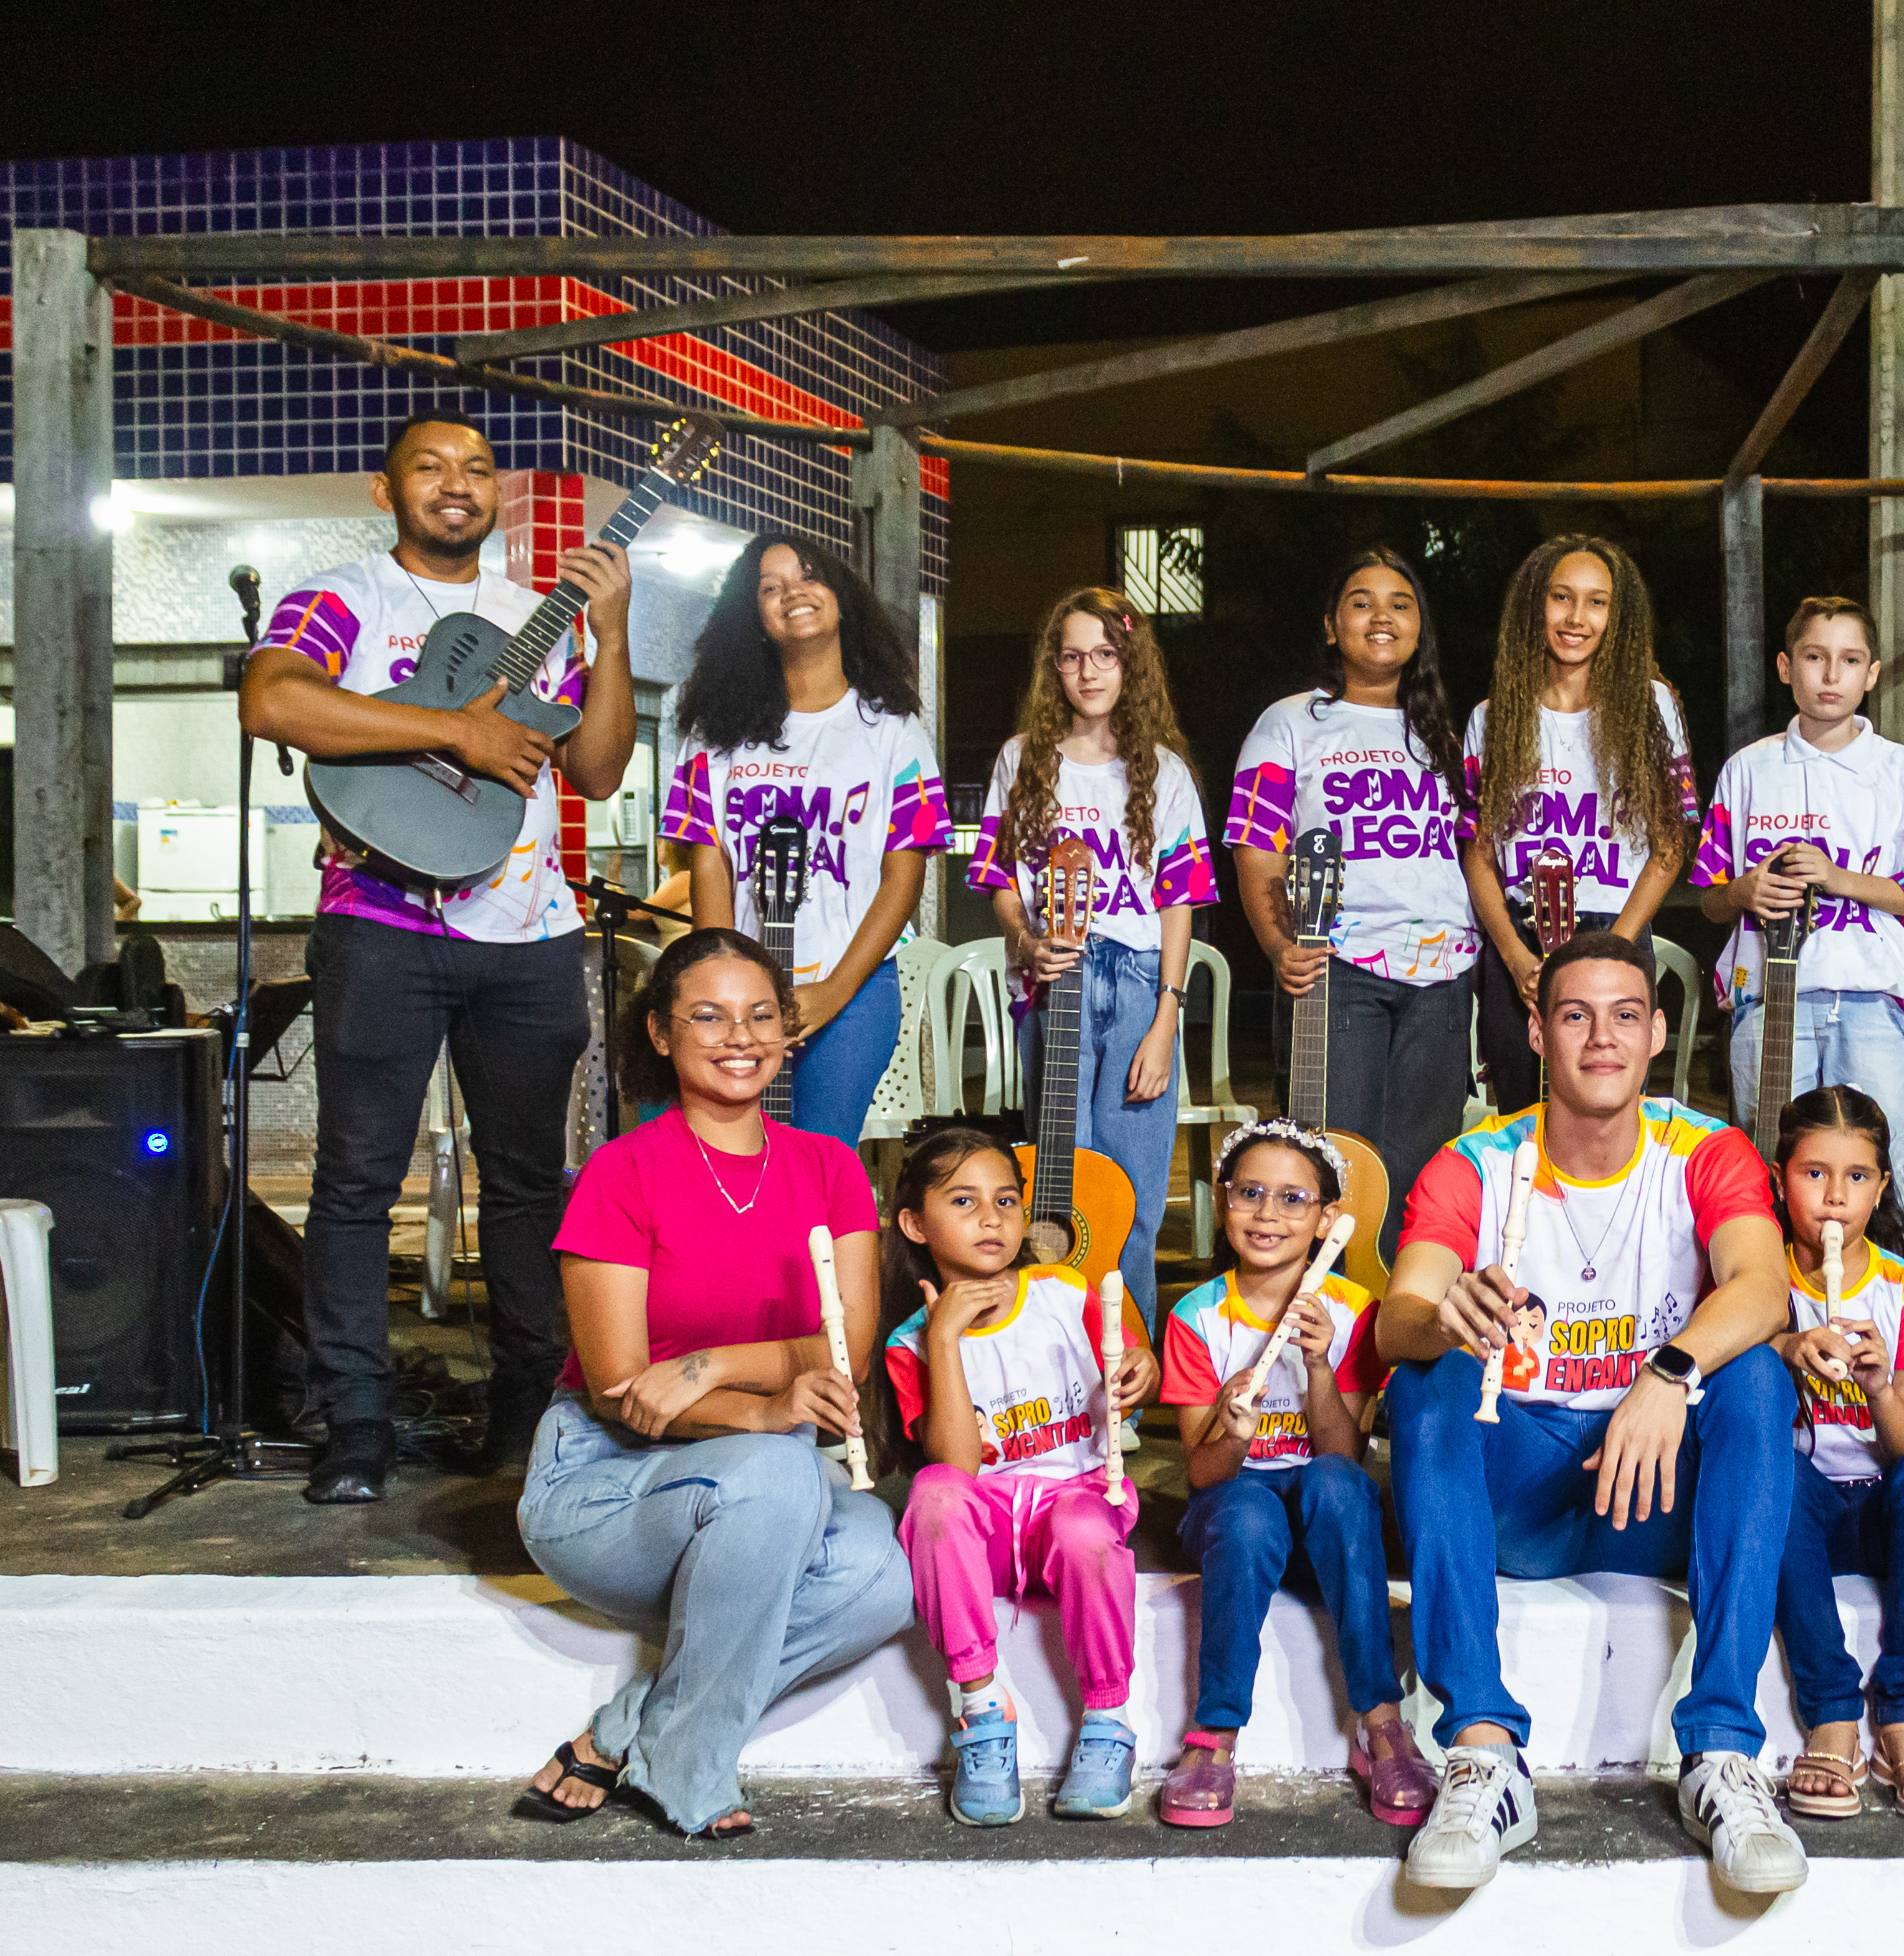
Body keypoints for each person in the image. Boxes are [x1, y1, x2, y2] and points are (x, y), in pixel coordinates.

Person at [241, 408, 636, 1498]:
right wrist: (457, 730)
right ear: (387, 490)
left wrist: (613, 635)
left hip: (532, 936)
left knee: (528, 1186)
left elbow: (599, 772)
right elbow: (272, 699)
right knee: (358, 1181)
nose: (458, 483)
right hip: (381, 922)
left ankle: (524, 1409)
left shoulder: (534, 616)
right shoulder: (345, 597)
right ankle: (357, 1421)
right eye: (431, 466)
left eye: (478, 468)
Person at [1377, 932, 1808, 1896]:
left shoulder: (1706, 1151)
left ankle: (1722, 1751)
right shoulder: (1475, 1163)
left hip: (1653, 1488)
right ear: (1537, 1032)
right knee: (1427, 1379)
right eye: (1575, 1016)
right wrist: (1440, 1319)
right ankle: (1483, 1753)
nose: (1602, 1038)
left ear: (1657, 1032)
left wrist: (1668, 1372)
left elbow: (1764, 1288)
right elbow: (1399, 1316)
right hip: (1519, 1489)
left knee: (1756, 1378)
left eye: (1624, 1016)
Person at [512, 928, 909, 1839]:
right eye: (710, 1016)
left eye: (762, 1015)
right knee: (781, 1467)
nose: (742, 1037)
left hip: (761, 1489)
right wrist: (767, 1412)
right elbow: (621, 1391)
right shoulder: (622, 1172)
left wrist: (716, 1365)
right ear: (660, 1033)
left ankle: (626, 1730)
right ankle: (687, 1772)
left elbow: (847, 1348)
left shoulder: (829, 1168)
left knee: (884, 1578)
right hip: (607, 1481)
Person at [878, 1123, 1160, 1826]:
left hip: (1077, 1505)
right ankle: (981, 1710)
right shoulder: (911, 1344)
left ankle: (1108, 1720)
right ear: (914, 1224)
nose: (992, 1219)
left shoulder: (1066, 1292)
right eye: (964, 1202)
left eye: (1006, 1201)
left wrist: (1142, 1372)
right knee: (933, 1493)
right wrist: (945, 1336)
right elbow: (956, 1466)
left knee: (1082, 1527)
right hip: (987, 1535)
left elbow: (1135, 1372)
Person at [1154, 1119, 1431, 1829]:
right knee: (1247, 1512)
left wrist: (1316, 1366)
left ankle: (1382, 1722)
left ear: (1327, 1220)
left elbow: (1344, 1456)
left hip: (1325, 1521)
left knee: (1336, 1485)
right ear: (1223, 1200)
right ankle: (1215, 1733)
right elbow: (1203, 1475)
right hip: (1234, 1517)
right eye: (1250, 1193)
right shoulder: (1195, 1317)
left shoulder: (1353, 1311)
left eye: (1293, 1199)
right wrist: (1232, 1429)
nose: (1268, 1214)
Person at [972, 587, 1215, 1317]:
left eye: (1106, 655)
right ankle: (1058, 1351)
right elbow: (1001, 880)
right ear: (1054, 668)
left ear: (1130, 664)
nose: (1089, 672)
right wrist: (1026, 941)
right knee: (1060, 1188)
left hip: (1139, 983)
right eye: (1073, 657)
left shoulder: (1164, 771)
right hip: (1055, 983)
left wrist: (1166, 1022)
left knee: (1134, 1196)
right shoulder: (1022, 760)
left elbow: (1178, 904)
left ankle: (1127, 1363)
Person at [664, 534, 949, 1146]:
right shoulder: (714, 734)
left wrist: (834, 992)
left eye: (809, 575)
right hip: (741, 989)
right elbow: (710, 864)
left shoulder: (893, 732)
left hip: (854, 988)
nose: (793, 592)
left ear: (841, 596)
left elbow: (905, 877)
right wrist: (727, 984)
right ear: (755, 619)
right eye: (771, 587)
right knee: (727, 1147)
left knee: (821, 1154)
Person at [1226, 547, 1479, 1238]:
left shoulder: (1442, 735)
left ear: (1419, 629)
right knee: (1334, 1160)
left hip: (1443, 972)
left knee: (1420, 1169)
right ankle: (1327, 1299)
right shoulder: (1289, 722)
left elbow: (1468, 853)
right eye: (1361, 603)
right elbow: (1257, 844)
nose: (1381, 617)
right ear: (1332, 627)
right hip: (1338, 965)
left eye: (1400, 604)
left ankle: (1401, 1297)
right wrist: (1277, 944)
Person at [1696, 598, 1904, 1176]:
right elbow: (1711, 899)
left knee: (1874, 1168)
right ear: (1786, 667)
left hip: (1871, 999)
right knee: (1769, 1165)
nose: (1832, 675)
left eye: (1851, 660)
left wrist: (1837, 879)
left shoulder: (1899, 770)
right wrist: (1742, 892)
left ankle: (1885, 1243)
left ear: (1873, 674)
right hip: (1769, 1000)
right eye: (1815, 657)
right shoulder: (1748, 770)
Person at [1763, 1087, 1904, 1823]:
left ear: (1882, 1188)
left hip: (1884, 1509)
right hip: (1797, 1516)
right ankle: (1832, 1714)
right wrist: (1785, 1350)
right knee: (1775, 1473)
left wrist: (1879, 1388)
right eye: (1814, 1174)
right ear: (1780, 1178)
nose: (1835, 1198)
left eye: (1856, 1177)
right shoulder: (1756, 1280)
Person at [1463, 537, 1697, 1106]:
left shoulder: (1652, 706)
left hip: (1615, 925)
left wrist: (1613, 953)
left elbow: (1670, 845)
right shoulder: (1491, 718)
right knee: (1522, 1117)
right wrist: (1516, 959)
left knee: (1609, 1115)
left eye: (1597, 602)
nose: (1576, 618)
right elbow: (1478, 855)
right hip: (1523, 943)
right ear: (1535, 606)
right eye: (1561, 597)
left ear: (1618, 617)